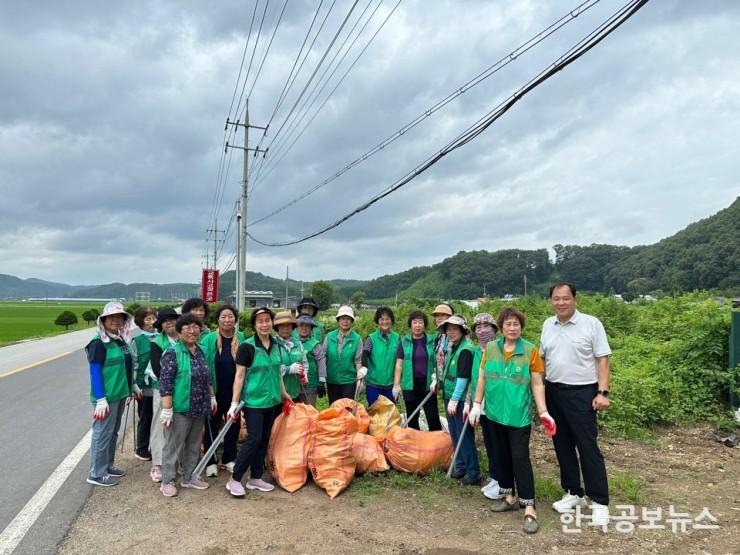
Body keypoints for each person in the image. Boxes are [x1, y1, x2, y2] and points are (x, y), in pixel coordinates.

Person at [469, 307, 553, 534]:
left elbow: (537, 383)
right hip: (494, 414)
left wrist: (543, 412)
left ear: (521, 327)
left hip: (518, 416)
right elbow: (482, 377)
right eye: (508, 324)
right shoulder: (491, 349)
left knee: (520, 459)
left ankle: (529, 507)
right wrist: (477, 404)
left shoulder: (530, 350)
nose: (512, 328)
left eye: (516, 324)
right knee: (501, 457)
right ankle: (509, 497)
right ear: (502, 327)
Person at [539, 282, 611, 527]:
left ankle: (599, 501)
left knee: (587, 445)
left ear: (575, 299)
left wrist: (602, 392)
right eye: (556, 299)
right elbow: (543, 359)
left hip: (582, 393)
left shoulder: (591, 324)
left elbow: (602, 359)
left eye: (565, 298)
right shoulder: (548, 324)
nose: (561, 302)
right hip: (554, 391)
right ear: (551, 301)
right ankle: (574, 492)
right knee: (562, 445)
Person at [225, 307, 290, 497]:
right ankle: (235, 479)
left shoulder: (276, 344)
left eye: (267, 320)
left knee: (264, 439)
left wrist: (284, 393)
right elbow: (239, 376)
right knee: (253, 439)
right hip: (253, 402)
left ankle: (255, 477)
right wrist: (233, 403)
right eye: (260, 321)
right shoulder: (247, 347)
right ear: (254, 325)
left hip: (272, 401)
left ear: (272, 323)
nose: (264, 324)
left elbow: (277, 372)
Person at [158, 313, 217, 497]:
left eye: (196, 327)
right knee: (173, 445)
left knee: (193, 444)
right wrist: (167, 409)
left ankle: (190, 476)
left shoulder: (200, 350)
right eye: (187, 328)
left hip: (199, 406)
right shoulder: (172, 352)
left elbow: (206, 377)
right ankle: (167, 480)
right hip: (180, 408)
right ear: (180, 331)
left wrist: (212, 397)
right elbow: (165, 383)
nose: (193, 331)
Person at [85, 302, 134, 487]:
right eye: (111, 318)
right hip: (107, 397)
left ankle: (108, 465)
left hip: (121, 393)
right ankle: (96, 473)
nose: (115, 320)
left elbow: (126, 365)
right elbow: (95, 371)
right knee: (102, 434)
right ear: (103, 320)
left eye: (119, 317)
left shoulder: (119, 339)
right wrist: (100, 399)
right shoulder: (98, 343)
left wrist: (133, 385)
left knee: (113, 432)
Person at [200, 304, 246, 477]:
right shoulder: (209, 339)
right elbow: (204, 368)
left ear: (235, 318)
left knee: (232, 426)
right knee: (211, 425)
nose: (227, 320)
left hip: (234, 391)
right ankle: (210, 461)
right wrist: (210, 393)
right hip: (214, 391)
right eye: (223, 317)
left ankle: (228, 458)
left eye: (230, 316)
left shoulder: (241, 337)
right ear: (218, 320)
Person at [439, 314, 480, 485]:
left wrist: (455, 399)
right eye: (448, 329)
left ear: (462, 331)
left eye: (455, 329)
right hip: (450, 397)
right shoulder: (453, 347)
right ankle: (461, 466)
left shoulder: (466, 349)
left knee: (464, 436)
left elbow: (463, 378)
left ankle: (473, 472)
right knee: (456, 435)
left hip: (461, 401)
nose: (451, 332)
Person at [468, 312, 503, 500]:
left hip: (497, 405)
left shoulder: (501, 349)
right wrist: (471, 402)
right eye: (478, 328)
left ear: (494, 329)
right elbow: (473, 379)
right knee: (489, 440)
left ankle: (502, 479)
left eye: (486, 326)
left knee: (499, 442)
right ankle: (494, 476)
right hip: (479, 404)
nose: (482, 330)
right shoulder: (475, 352)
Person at [392, 310, 441, 431]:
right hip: (410, 385)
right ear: (410, 325)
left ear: (425, 325)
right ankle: (415, 445)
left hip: (428, 384)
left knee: (432, 416)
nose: (418, 325)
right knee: (412, 418)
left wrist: (436, 377)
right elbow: (399, 364)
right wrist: (396, 385)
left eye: (420, 322)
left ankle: (436, 444)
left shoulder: (432, 340)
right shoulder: (404, 341)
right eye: (415, 322)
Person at [147, 307, 179, 483]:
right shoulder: (157, 342)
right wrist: (170, 389)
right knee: (160, 425)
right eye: (166, 320)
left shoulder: (184, 338)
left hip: (183, 390)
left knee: (179, 425)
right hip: (162, 389)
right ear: (161, 324)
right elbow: (158, 370)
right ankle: (157, 464)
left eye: (172, 319)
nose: (170, 323)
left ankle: (175, 462)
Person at [323, 305, 365, 404]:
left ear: (352, 321)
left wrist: (360, 380)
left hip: (349, 381)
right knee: (334, 409)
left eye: (348, 319)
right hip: (332, 380)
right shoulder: (329, 336)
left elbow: (358, 361)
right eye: (342, 319)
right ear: (338, 320)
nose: (345, 321)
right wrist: (322, 377)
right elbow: (324, 356)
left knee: (347, 410)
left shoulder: (357, 339)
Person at [131, 306, 157, 461]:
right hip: (144, 386)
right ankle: (141, 448)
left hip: (159, 385)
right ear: (141, 323)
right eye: (148, 319)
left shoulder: (162, 337)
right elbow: (134, 364)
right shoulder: (137, 341)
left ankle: (156, 446)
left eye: (154, 318)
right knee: (146, 416)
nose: (152, 322)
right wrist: (134, 385)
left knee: (159, 417)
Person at [362, 307, 401, 405]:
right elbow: (365, 353)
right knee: (374, 414)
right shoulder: (371, 338)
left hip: (391, 385)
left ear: (391, 320)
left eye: (387, 319)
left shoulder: (398, 338)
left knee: (390, 416)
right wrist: (364, 368)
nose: (385, 322)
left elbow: (401, 360)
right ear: (377, 321)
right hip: (373, 385)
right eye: (381, 319)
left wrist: (397, 384)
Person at [273, 310, 308, 403]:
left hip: (294, 392)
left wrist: (304, 373)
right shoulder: (272, 344)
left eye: (288, 325)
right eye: (282, 325)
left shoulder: (298, 344)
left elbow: (304, 362)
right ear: (277, 327)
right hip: (277, 394)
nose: (286, 328)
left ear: (293, 327)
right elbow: (271, 369)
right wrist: (288, 369)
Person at [295, 314, 327, 407]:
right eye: (301, 325)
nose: (304, 328)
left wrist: (321, 383)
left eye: (307, 326)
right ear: (296, 328)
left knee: (309, 410)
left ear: (311, 328)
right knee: (295, 411)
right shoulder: (292, 343)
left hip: (310, 383)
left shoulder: (315, 344)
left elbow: (321, 362)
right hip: (294, 383)